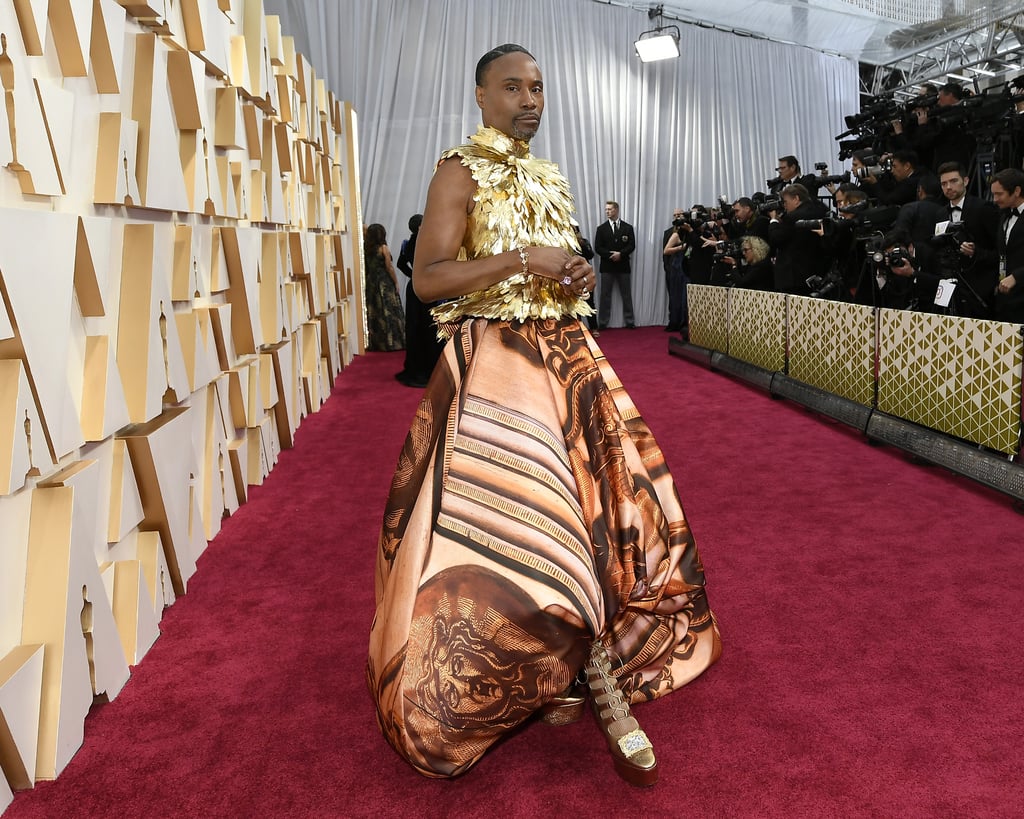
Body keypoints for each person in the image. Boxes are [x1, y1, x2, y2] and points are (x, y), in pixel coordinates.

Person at [367, 43, 720, 788]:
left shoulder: (546, 176)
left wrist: (574, 273)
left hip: (566, 352)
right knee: (523, 525)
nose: (529, 100)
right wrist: (522, 259)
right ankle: (531, 666)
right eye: (512, 87)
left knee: (604, 504)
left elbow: (553, 270)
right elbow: (429, 279)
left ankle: (582, 660)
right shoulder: (457, 168)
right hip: (497, 366)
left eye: (537, 88)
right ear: (480, 95)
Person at [394, 213, 444, 387]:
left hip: (414, 288)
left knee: (414, 326)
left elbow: (400, 264)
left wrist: (413, 276)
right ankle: (429, 368)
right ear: (421, 226)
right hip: (427, 288)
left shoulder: (407, 243)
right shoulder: (428, 243)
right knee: (429, 326)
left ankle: (416, 367)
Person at [594, 200, 637, 328]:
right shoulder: (601, 229)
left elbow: (631, 245)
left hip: (623, 266)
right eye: (606, 209)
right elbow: (598, 247)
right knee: (605, 295)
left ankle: (630, 322)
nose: (607, 211)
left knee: (626, 294)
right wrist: (610, 255)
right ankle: (602, 323)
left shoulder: (627, 227)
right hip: (607, 266)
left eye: (610, 209)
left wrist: (621, 254)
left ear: (616, 210)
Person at [363, 223, 406, 351]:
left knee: (375, 312)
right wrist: (396, 282)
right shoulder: (383, 248)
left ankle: (377, 343)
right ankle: (392, 342)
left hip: (371, 282)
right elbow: (389, 267)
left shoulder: (366, 249)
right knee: (389, 311)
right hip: (384, 282)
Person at [990, 168, 1024, 323]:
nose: (995, 199)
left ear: (1016, 191)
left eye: (999, 194)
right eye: (993, 194)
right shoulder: (1003, 215)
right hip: (1005, 300)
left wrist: (1017, 277)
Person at [662, 209, 688, 333]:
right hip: (676, 268)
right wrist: (681, 247)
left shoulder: (689, 233)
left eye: (680, 215)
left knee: (685, 297)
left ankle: (684, 323)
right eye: (675, 215)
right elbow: (665, 251)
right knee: (675, 296)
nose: (678, 217)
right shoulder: (673, 234)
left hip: (687, 268)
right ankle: (675, 322)